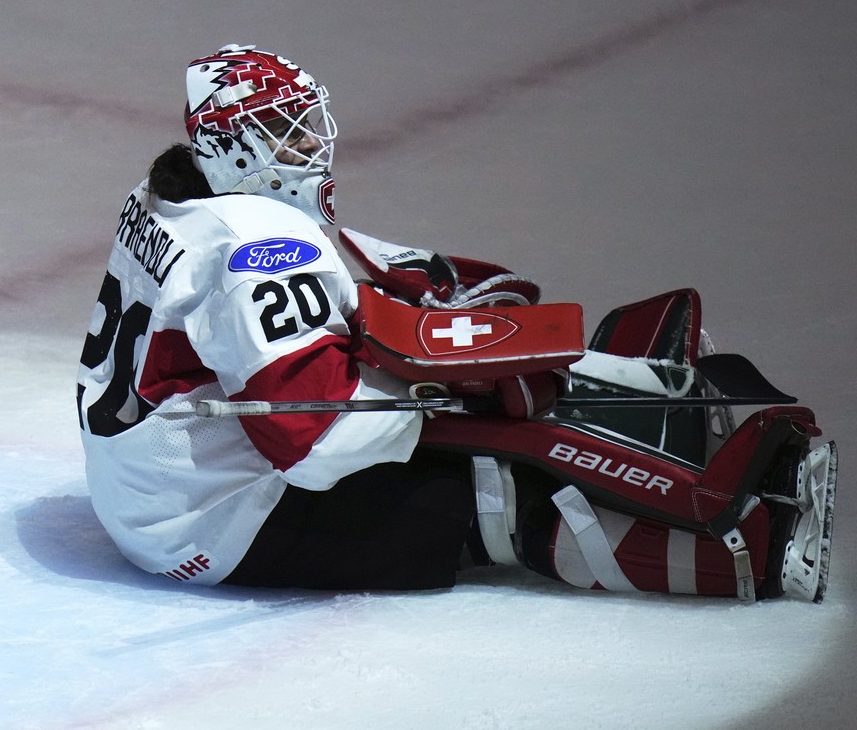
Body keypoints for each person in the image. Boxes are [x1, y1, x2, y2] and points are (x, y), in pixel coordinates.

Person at [75, 45, 837, 600]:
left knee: (475, 413)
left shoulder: (169, 194)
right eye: (286, 130)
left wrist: (427, 313)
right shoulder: (259, 245)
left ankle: (654, 423)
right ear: (232, 147)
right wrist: (448, 394)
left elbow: (302, 289)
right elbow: (314, 444)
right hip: (210, 526)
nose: (311, 144)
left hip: (153, 492)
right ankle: (765, 551)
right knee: (483, 489)